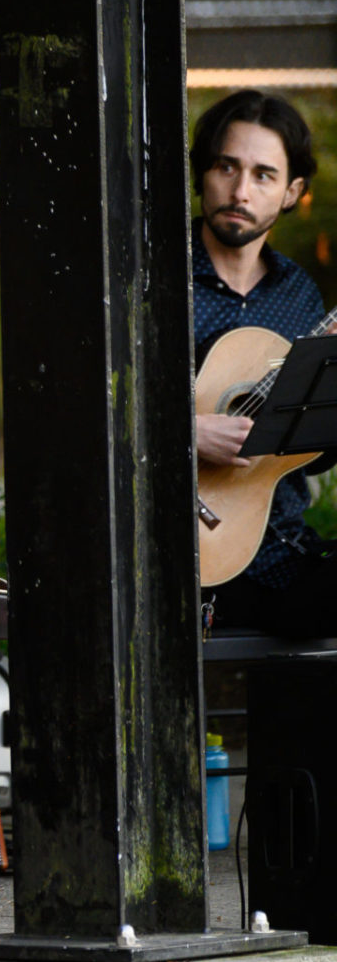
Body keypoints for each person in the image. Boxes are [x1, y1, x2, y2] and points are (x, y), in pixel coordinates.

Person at [190, 90, 337, 635]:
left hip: (281, 552)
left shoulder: (297, 293)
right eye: (227, 166)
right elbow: (89, 406)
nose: (240, 190)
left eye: (263, 175)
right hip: (175, 557)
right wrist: (184, 434)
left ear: (292, 191)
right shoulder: (152, 280)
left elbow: (307, 454)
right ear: (203, 173)